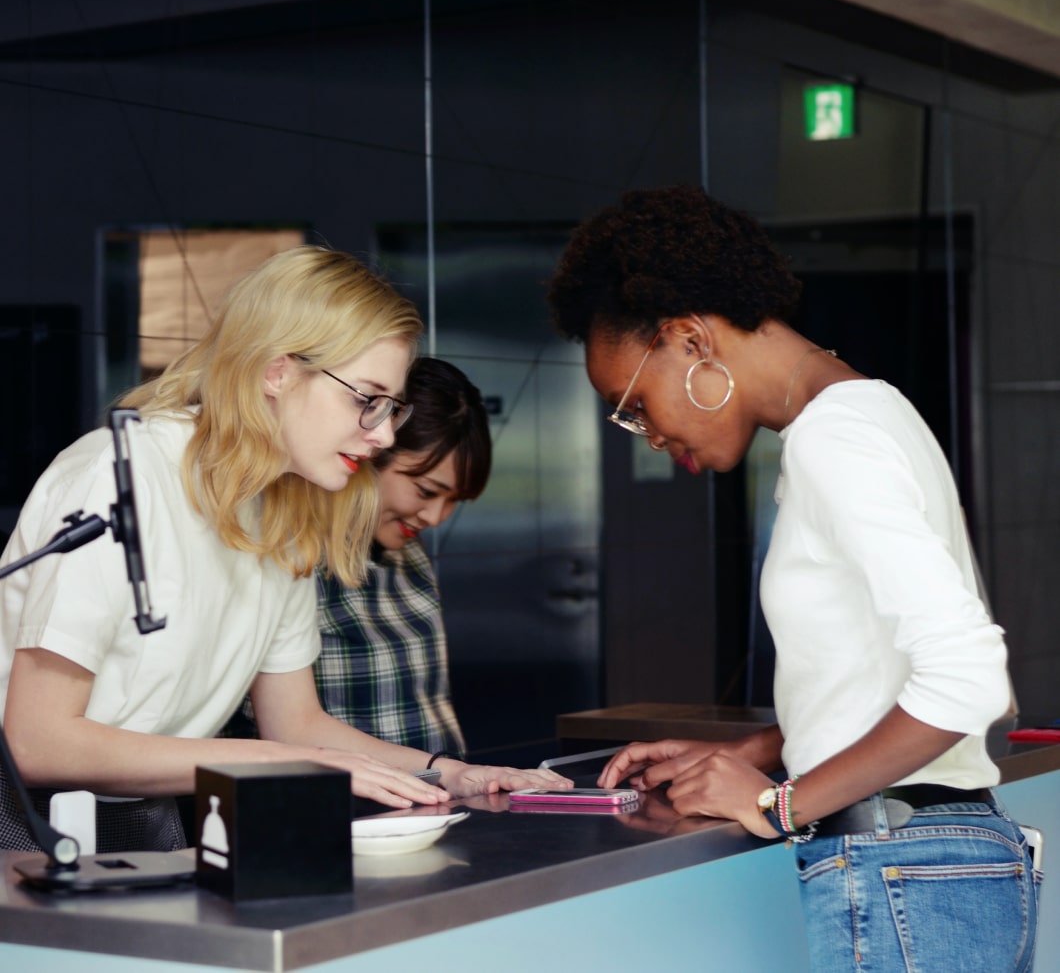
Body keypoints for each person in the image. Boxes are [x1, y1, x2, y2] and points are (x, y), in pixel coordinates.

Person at [546, 186, 1039, 971]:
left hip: (902, 869)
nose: (648, 436)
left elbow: (971, 679)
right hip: (932, 868)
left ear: (688, 339)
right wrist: (761, 750)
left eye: (635, 404)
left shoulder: (833, 439)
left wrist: (776, 805)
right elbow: (898, 673)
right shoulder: (865, 414)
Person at [0, 245, 567, 854]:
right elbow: (39, 744)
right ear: (277, 371)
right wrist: (285, 760)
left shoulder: (288, 513)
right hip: (16, 816)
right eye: (365, 399)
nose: (382, 436)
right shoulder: (117, 476)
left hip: (142, 812)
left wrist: (448, 772)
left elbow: (298, 724)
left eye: (391, 408)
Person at [227, 356, 483, 756]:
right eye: (427, 491)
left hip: (433, 796)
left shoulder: (407, 557)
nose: (436, 517)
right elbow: (287, 726)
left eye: (456, 500)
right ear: (367, 456)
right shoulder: (286, 552)